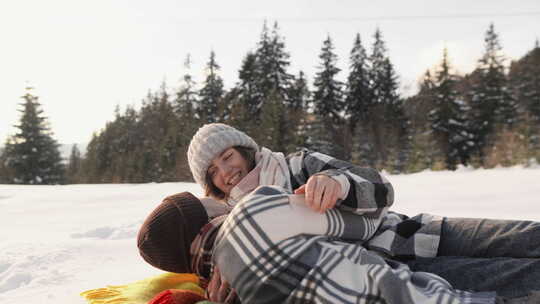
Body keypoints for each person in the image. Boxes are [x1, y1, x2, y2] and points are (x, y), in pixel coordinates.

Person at [184, 123, 540, 301]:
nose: (225, 171)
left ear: (244, 150)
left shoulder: (298, 165)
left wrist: (339, 184)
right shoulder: (234, 228)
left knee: (521, 236)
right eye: (212, 170)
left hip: (413, 232)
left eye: (227, 157)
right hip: (396, 276)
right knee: (515, 278)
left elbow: (380, 186)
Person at [137, 190, 540, 303]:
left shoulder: (226, 291)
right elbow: (362, 223)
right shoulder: (253, 209)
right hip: (413, 276)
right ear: (200, 219)